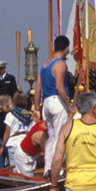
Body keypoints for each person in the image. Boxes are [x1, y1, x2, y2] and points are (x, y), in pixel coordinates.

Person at [35, 35, 73, 176]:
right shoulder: (60, 64)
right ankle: (57, 169)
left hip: (46, 103)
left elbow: (38, 87)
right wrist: (69, 105)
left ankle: (48, 168)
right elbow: (59, 86)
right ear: (67, 48)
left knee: (51, 137)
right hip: (57, 101)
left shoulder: (45, 64)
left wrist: (36, 107)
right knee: (59, 136)